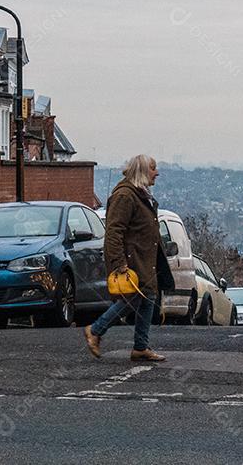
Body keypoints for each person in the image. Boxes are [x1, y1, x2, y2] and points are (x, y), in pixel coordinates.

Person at [84, 154, 175, 362]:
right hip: (132, 259)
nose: (157, 173)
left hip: (145, 258)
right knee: (132, 298)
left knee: (148, 298)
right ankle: (95, 330)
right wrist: (119, 263)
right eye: (153, 168)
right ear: (142, 171)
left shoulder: (140, 194)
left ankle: (141, 347)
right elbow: (114, 231)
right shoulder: (125, 196)